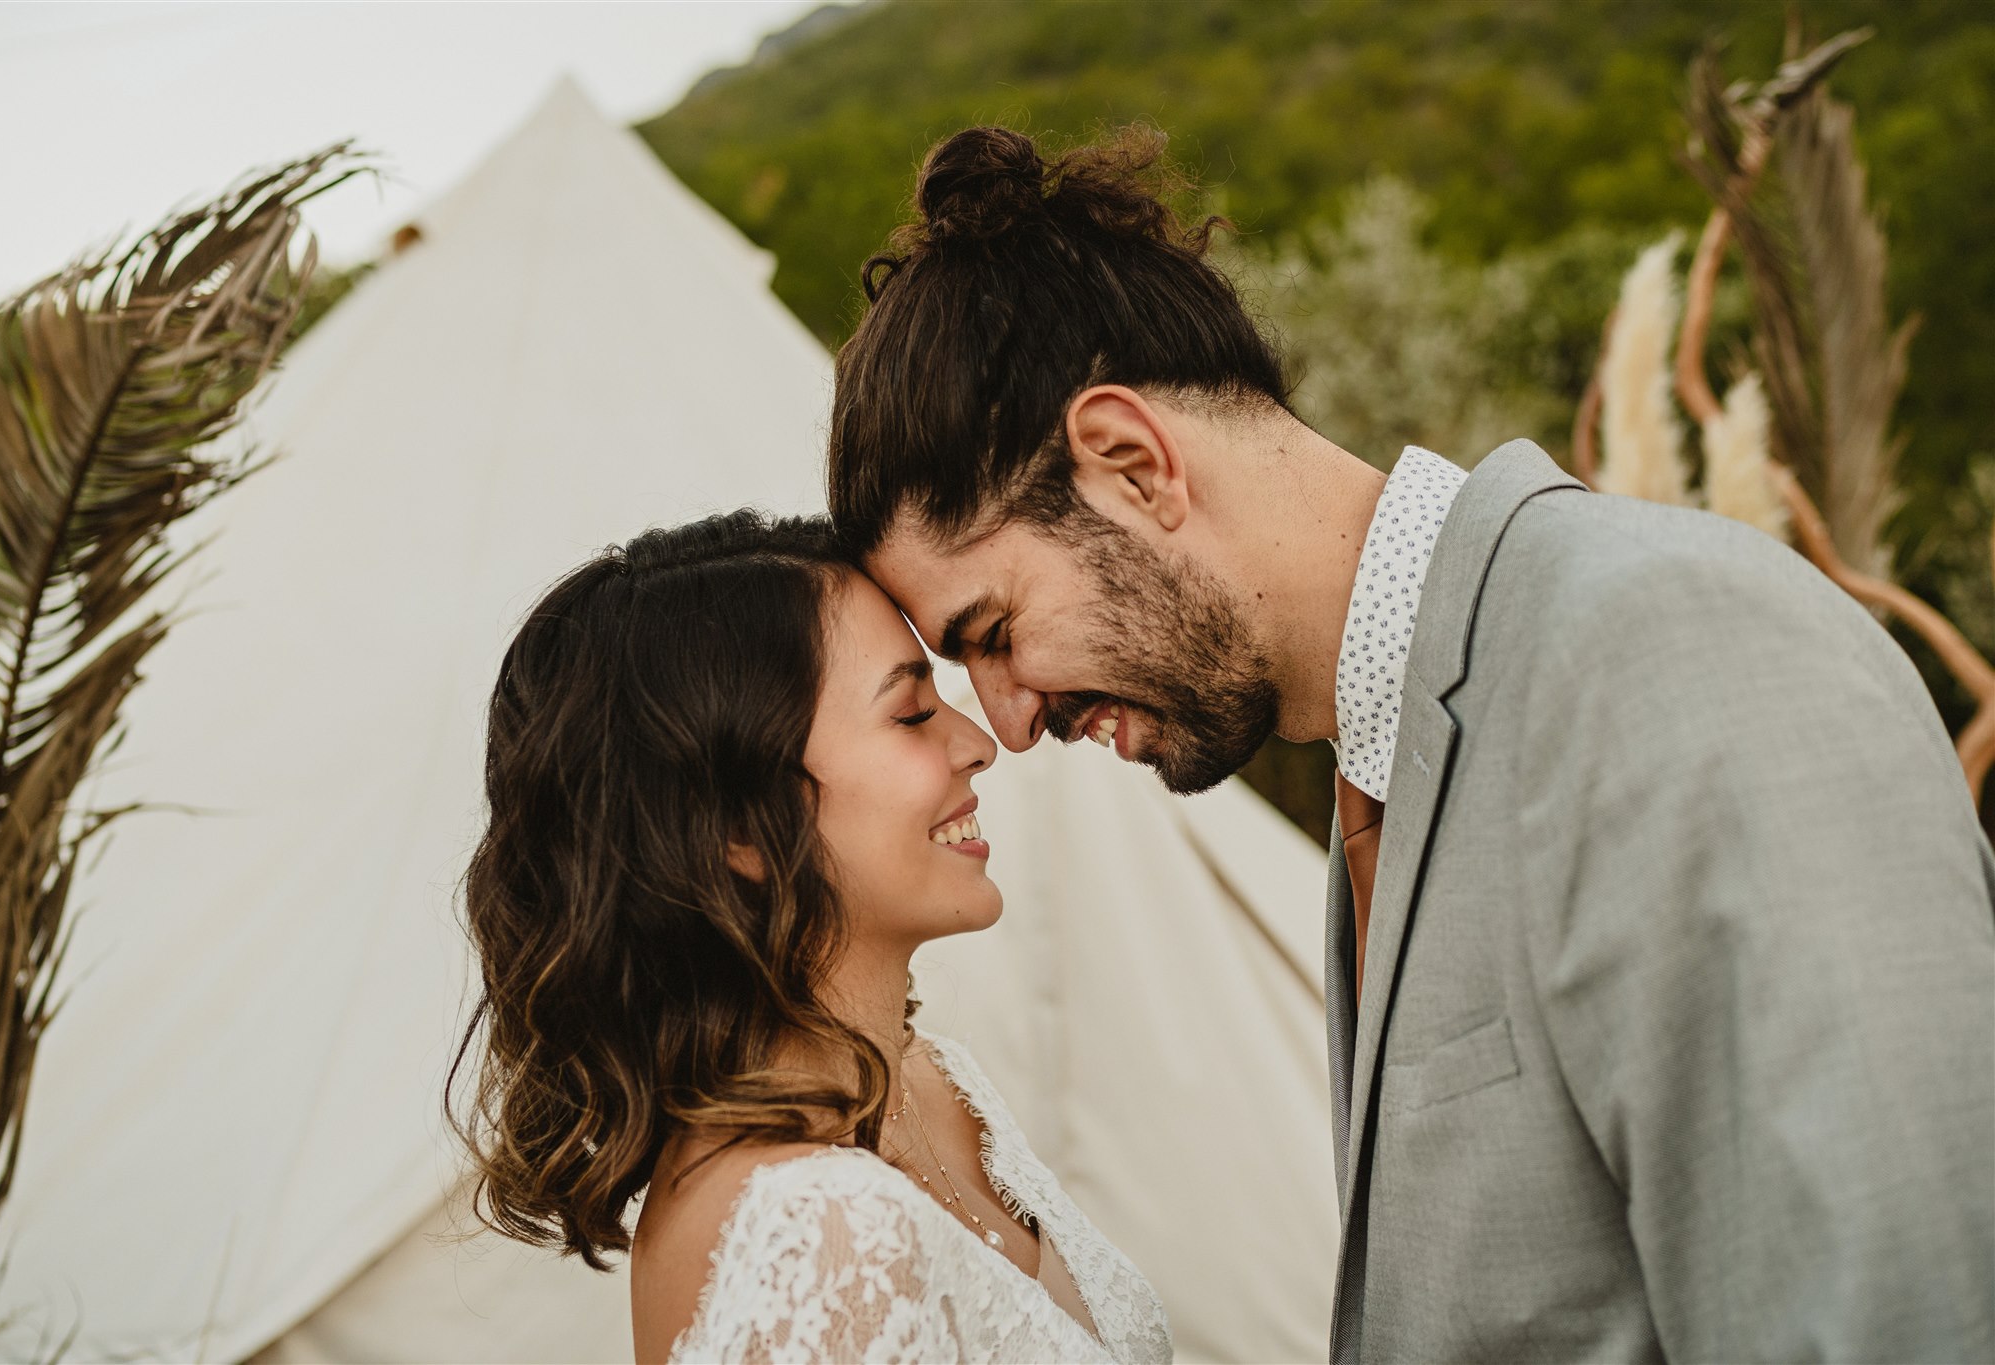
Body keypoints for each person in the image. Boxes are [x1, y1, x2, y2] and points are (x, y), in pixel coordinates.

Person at [827, 123, 1995, 1363]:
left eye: (994, 631)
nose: (1006, 723)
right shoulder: (1389, 764)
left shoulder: (1665, 649)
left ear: (1129, 463)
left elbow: (1893, 1300)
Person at [448, 510, 1173, 1364]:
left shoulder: (934, 1082)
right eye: (910, 713)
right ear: (737, 832)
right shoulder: (822, 1231)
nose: (978, 744)